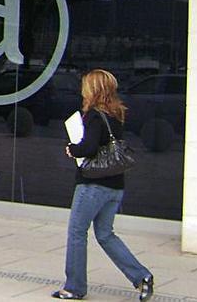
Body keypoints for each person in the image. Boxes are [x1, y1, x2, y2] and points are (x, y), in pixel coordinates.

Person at [53, 68, 153, 301]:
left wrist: (72, 149)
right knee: (106, 234)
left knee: (77, 232)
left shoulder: (94, 115)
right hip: (115, 185)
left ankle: (74, 287)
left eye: (85, 85)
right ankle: (141, 276)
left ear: (92, 89)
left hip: (92, 185)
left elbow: (88, 148)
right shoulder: (116, 114)